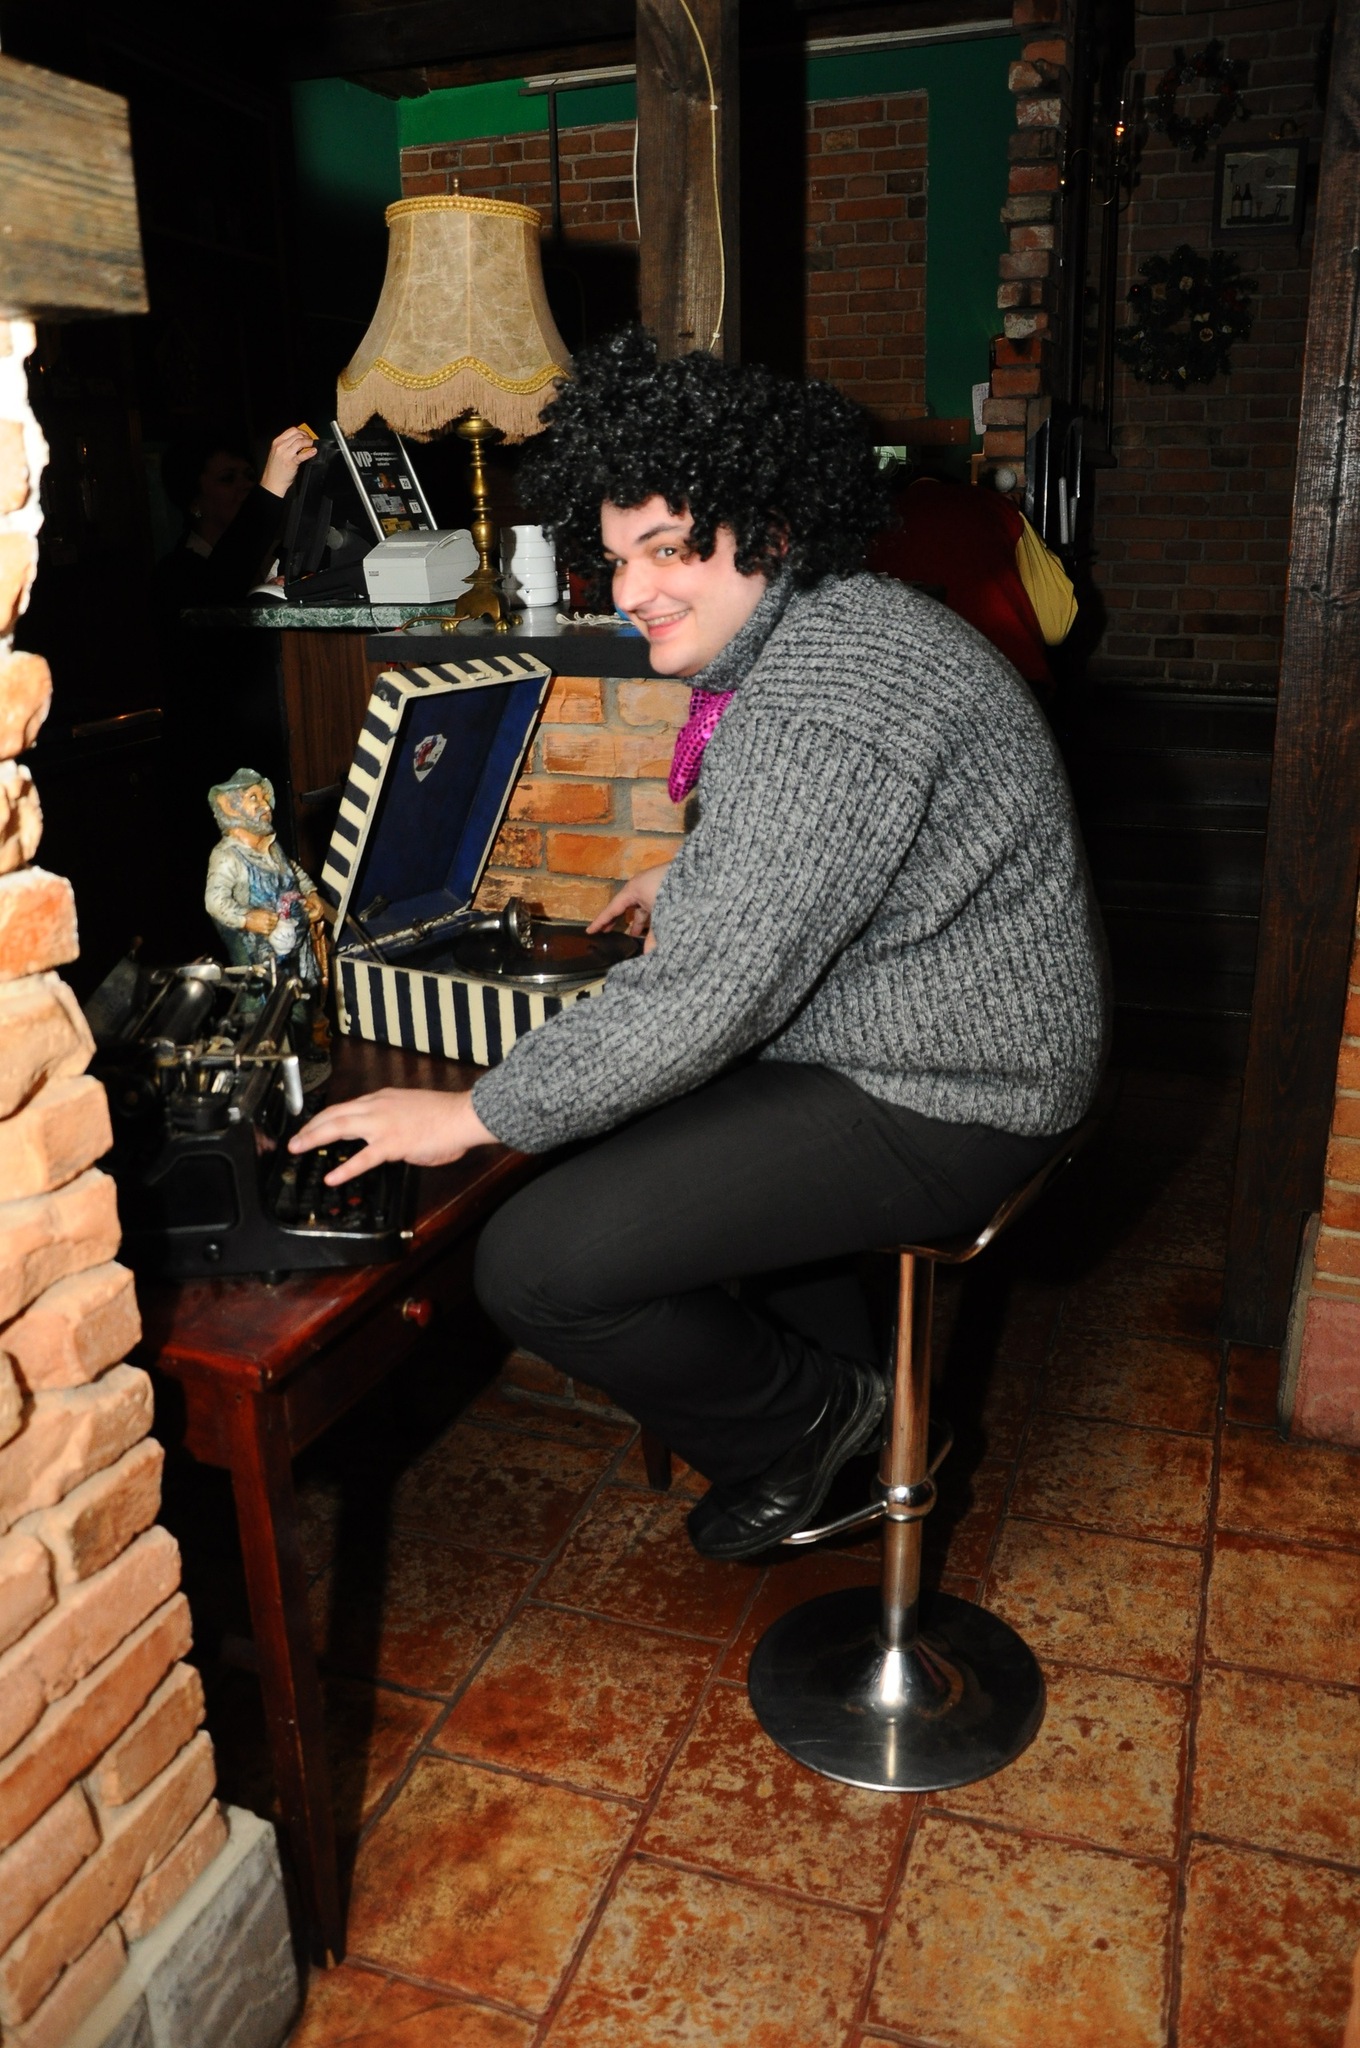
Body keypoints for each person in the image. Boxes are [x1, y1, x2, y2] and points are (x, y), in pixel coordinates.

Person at [289, 329, 1109, 1561]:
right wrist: (699, 871)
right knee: (657, 1143)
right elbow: (858, 839)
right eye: (616, 556)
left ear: (770, 531)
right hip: (937, 1035)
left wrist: (466, 1114)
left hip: (959, 1087)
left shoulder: (823, 694)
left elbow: (705, 996)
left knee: (533, 1261)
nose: (630, 591)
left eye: (668, 548)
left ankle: (824, 1425)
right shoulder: (834, 628)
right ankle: (846, 1428)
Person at [868, 465, 1077, 695]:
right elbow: (1056, 626)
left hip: (906, 685)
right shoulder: (998, 508)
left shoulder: (872, 522)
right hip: (1008, 681)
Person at [157, 425, 317, 606]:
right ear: (193, 500)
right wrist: (271, 487)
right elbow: (219, 588)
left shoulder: (280, 557)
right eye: (227, 478)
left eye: (250, 476)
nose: (246, 485)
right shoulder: (175, 573)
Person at [204, 767, 325, 987]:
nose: (267, 806)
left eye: (265, 799)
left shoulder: (272, 847)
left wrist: (310, 893)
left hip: (298, 959)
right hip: (263, 969)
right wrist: (247, 919)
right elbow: (215, 902)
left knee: (303, 1004)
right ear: (230, 807)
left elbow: (292, 869)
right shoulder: (227, 856)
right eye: (254, 798)